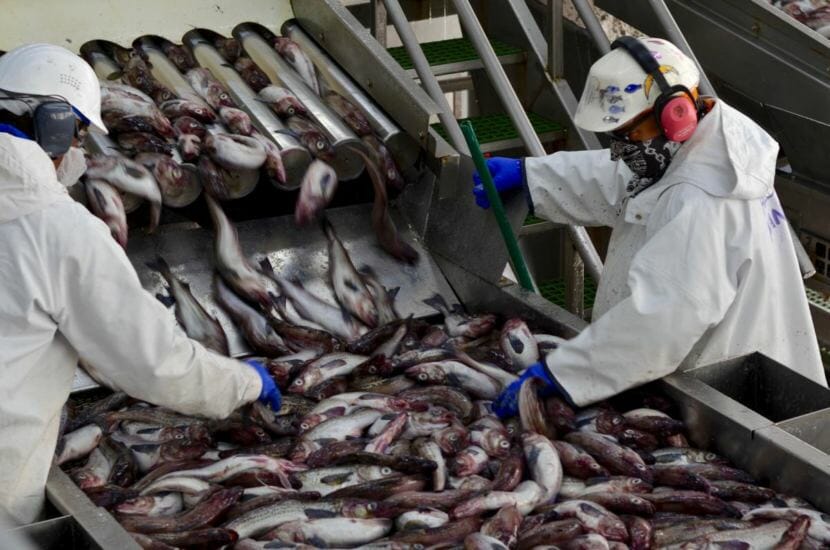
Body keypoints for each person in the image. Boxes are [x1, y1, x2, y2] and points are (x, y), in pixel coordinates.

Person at [472, 36, 827, 416]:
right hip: (708, 371)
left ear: (676, 114)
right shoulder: (699, 147)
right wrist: (531, 176)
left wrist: (563, 374)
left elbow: (660, 319)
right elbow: (621, 181)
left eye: (629, 134)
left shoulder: (704, 199)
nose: (618, 149)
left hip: (731, 395)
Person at [0, 43, 281, 524]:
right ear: (55, 124)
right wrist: (242, 383)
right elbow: (151, 362)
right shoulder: (56, 226)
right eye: (78, 134)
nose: (76, 152)